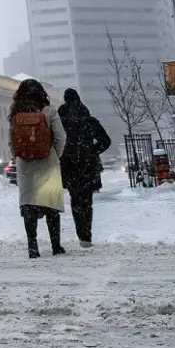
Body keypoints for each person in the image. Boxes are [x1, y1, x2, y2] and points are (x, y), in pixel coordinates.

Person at [10, 79, 67, 259]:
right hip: (47, 163)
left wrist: (21, 154)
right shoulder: (50, 112)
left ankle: (32, 246)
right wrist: (53, 155)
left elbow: (11, 142)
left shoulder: (16, 114)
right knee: (50, 205)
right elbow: (60, 137)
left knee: (29, 206)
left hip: (26, 165)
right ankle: (56, 245)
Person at [57, 88, 112, 246]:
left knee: (75, 200)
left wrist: (63, 155)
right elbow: (106, 141)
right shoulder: (89, 121)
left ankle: (81, 233)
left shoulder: (61, 123)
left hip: (69, 166)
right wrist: (92, 151)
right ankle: (86, 235)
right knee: (87, 202)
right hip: (88, 167)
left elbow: (54, 144)